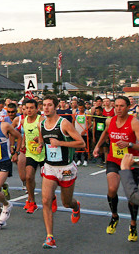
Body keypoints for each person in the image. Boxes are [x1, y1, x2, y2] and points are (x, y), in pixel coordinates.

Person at [35, 95, 85, 249]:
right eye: (44, 105)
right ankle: (50, 237)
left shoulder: (64, 124)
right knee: (45, 201)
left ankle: (76, 206)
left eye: (49, 105)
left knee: (66, 202)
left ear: (56, 107)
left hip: (65, 168)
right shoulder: (41, 124)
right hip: (50, 167)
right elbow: (43, 140)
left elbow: (81, 143)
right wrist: (40, 145)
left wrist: (60, 143)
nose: (46, 108)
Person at [92, 95, 139, 242]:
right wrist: (97, 146)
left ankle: (133, 224)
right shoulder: (110, 120)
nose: (118, 109)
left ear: (128, 107)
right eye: (116, 106)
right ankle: (114, 216)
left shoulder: (134, 122)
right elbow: (106, 132)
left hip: (130, 162)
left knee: (132, 197)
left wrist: (129, 144)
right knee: (112, 189)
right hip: (113, 159)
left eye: (122, 106)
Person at [21, 98, 46, 214]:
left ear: (37, 109)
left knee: (46, 180)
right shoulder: (24, 121)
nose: (29, 110)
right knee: (29, 177)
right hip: (31, 153)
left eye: (31, 108)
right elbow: (26, 133)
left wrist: (40, 139)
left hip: (44, 153)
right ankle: (32, 201)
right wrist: (22, 143)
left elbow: (48, 135)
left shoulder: (41, 120)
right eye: (27, 108)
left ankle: (52, 198)